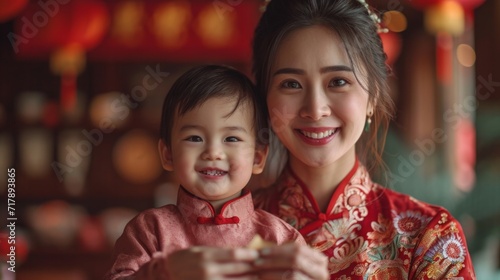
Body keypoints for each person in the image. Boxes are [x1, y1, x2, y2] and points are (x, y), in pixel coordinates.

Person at [164, 0, 477, 279]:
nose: (315, 109)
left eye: (338, 81)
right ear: (265, 100)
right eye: (290, 84)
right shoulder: (207, 232)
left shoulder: (428, 237)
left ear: (373, 96)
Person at [104, 65, 310, 280]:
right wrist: (163, 273)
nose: (213, 153)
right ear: (168, 155)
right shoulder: (150, 230)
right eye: (195, 138)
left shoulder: (280, 239)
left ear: (257, 158)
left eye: (231, 139)